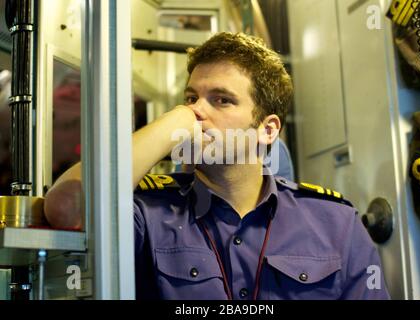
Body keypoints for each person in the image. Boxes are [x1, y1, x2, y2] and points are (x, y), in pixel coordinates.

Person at [44, 32, 390, 300]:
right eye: (191, 98)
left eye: (222, 100)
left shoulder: (336, 225)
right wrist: (173, 121)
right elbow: (66, 208)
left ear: (267, 130)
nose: (197, 111)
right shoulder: (147, 216)